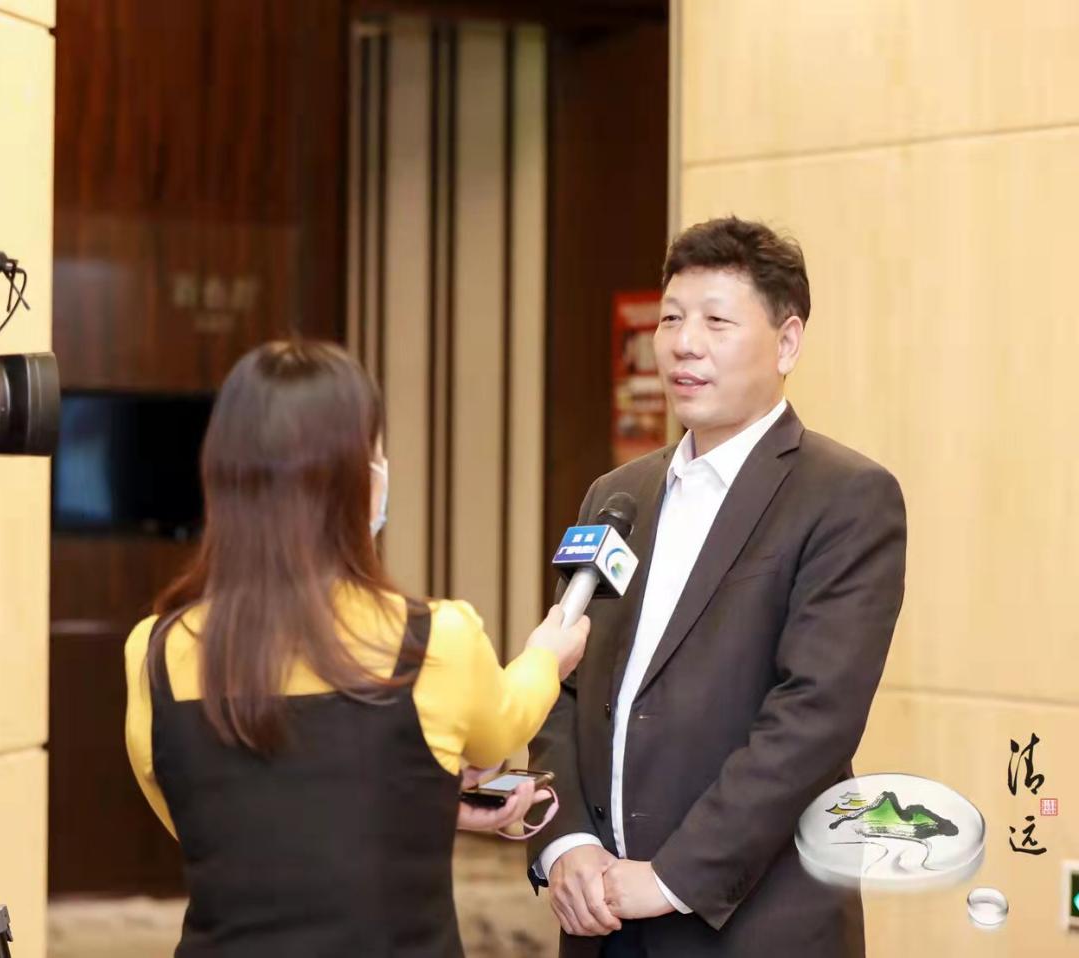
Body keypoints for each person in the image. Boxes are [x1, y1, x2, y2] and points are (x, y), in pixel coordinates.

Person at [124, 339, 590, 956]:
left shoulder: (154, 651)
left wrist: (412, 797)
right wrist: (546, 657)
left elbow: (211, 826)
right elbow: (502, 729)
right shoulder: (434, 640)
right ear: (357, 483)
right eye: (375, 455)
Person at [528, 217, 907, 958]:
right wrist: (565, 841)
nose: (684, 343)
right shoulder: (616, 496)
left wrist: (672, 878)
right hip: (599, 918)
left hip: (751, 925)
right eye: (671, 318)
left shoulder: (845, 498)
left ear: (787, 343)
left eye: (716, 322)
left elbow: (813, 718)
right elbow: (561, 683)